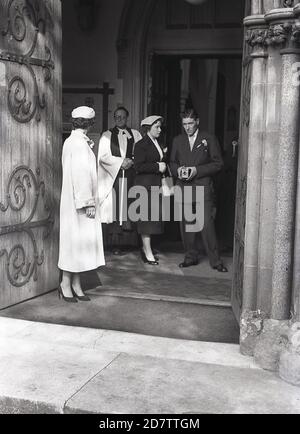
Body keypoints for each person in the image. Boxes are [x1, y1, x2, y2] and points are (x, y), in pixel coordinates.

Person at [170, 108, 228, 272]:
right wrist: (178, 170)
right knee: (187, 225)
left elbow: (218, 163)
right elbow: (172, 163)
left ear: (197, 122)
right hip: (184, 187)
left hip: (202, 186)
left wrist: (197, 171)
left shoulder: (208, 138)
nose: (187, 127)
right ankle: (190, 257)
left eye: (190, 123)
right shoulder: (177, 140)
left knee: (206, 225)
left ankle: (216, 261)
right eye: (184, 124)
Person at [58, 106, 105, 302]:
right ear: (89, 123)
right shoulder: (77, 144)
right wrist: (88, 203)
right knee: (74, 242)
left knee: (77, 243)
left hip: (74, 200)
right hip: (79, 202)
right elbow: (81, 175)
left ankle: (76, 283)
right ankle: (65, 283)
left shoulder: (76, 141)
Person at [98, 107, 142, 255]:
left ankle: (130, 242)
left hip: (131, 176)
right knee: (116, 207)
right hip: (114, 177)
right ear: (114, 118)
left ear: (127, 117)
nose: (119, 119)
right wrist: (120, 162)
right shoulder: (107, 135)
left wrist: (132, 161)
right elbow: (103, 156)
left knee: (130, 205)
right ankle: (115, 243)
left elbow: (141, 152)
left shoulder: (135, 134)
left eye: (122, 117)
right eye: (117, 117)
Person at [134, 116, 167, 265]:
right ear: (148, 128)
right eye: (157, 127)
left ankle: (147, 248)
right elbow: (138, 166)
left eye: (160, 127)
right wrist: (157, 166)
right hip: (145, 185)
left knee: (153, 218)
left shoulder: (157, 142)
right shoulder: (141, 144)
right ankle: (147, 251)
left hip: (155, 184)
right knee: (146, 219)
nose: (160, 130)